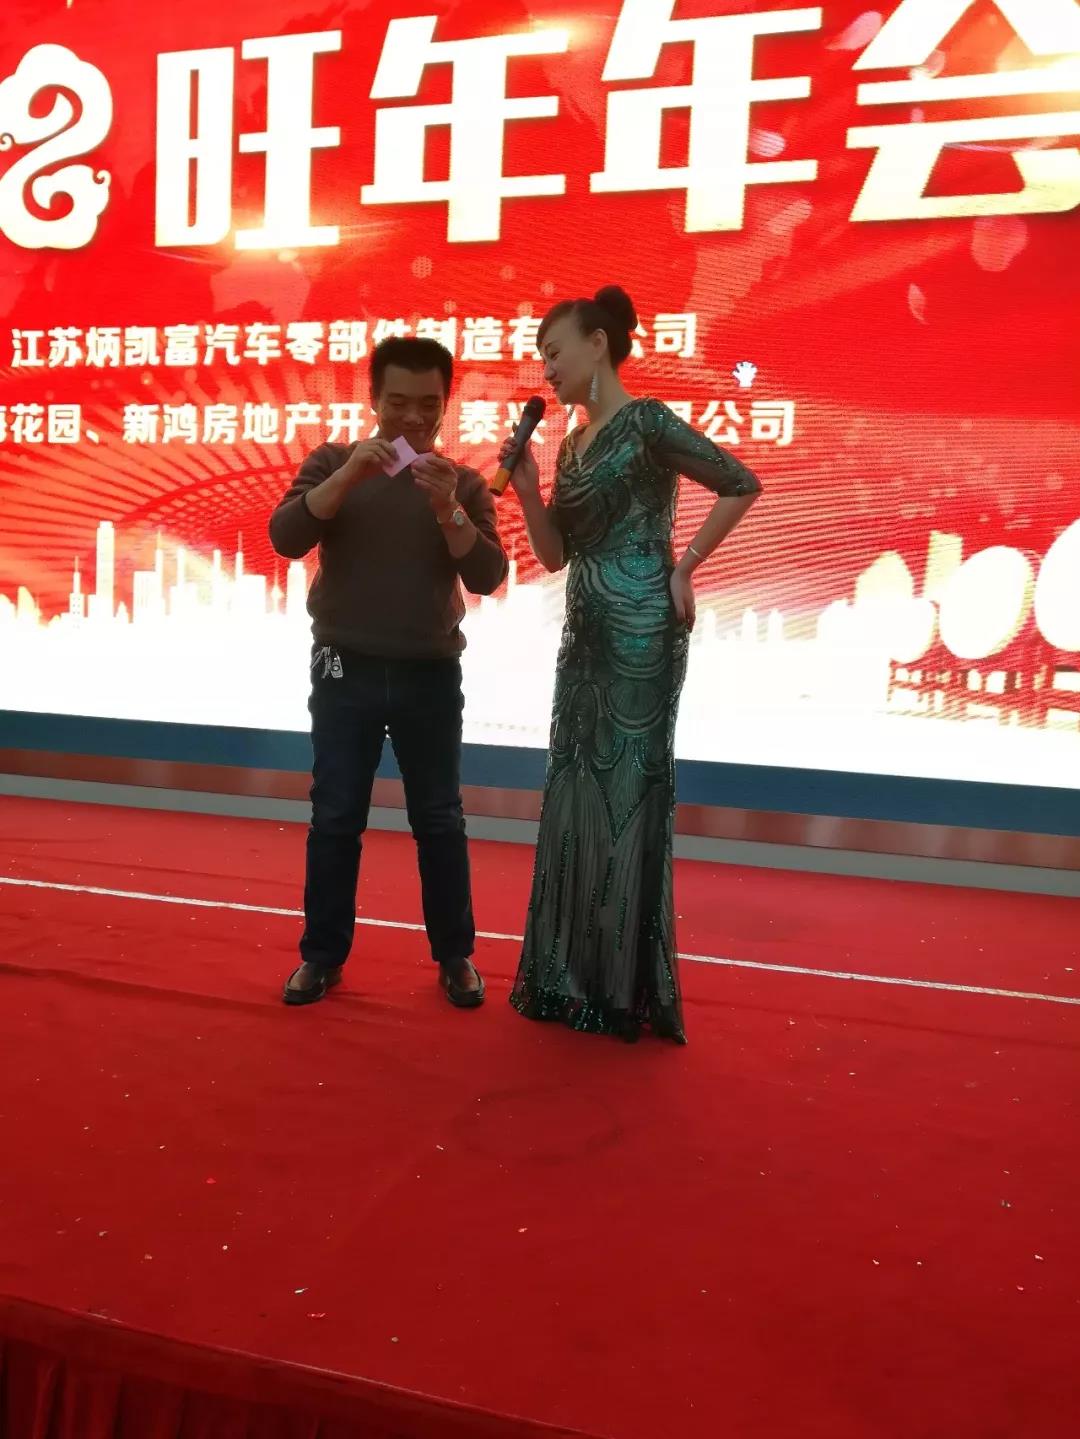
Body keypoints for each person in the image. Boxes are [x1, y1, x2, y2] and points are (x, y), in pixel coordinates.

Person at [502, 287, 762, 1044]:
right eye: (542, 358)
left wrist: (686, 566)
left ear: (598, 344)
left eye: (555, 352)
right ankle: (568, 979)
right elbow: (556, 555)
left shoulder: (646, 422)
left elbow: (739, 482)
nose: (548, 369)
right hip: (584, 632)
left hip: (645, 629)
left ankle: (619, 989)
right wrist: (527, 492)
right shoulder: (571, 445)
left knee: (626, 797)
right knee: (574, 792)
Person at [270, 336, 508, 1009]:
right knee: (335, 813)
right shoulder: (332, 461)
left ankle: (456, 956)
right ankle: (321, 957)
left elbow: (487, 575)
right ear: (374, 399)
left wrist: (448, 509)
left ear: (445, 404)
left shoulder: (459, 482)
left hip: (429, 671)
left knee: (439, 818)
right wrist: (349, 475)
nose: (413, 418)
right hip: (340, 665)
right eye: (398, 402)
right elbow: (286, 536)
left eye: (428, 405)